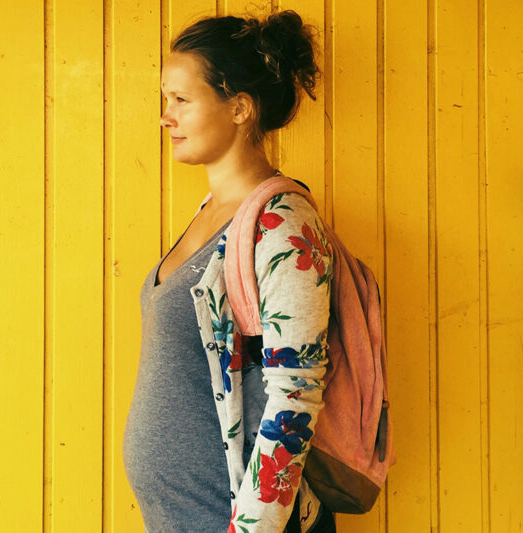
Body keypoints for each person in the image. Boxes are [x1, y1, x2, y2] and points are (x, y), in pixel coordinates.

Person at [122, 8, 336, 533]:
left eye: (182, 100)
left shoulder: (283, 223)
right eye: (165, 99)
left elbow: (297, 390)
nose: (164, 116)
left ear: (239, 107)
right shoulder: (213, 212)